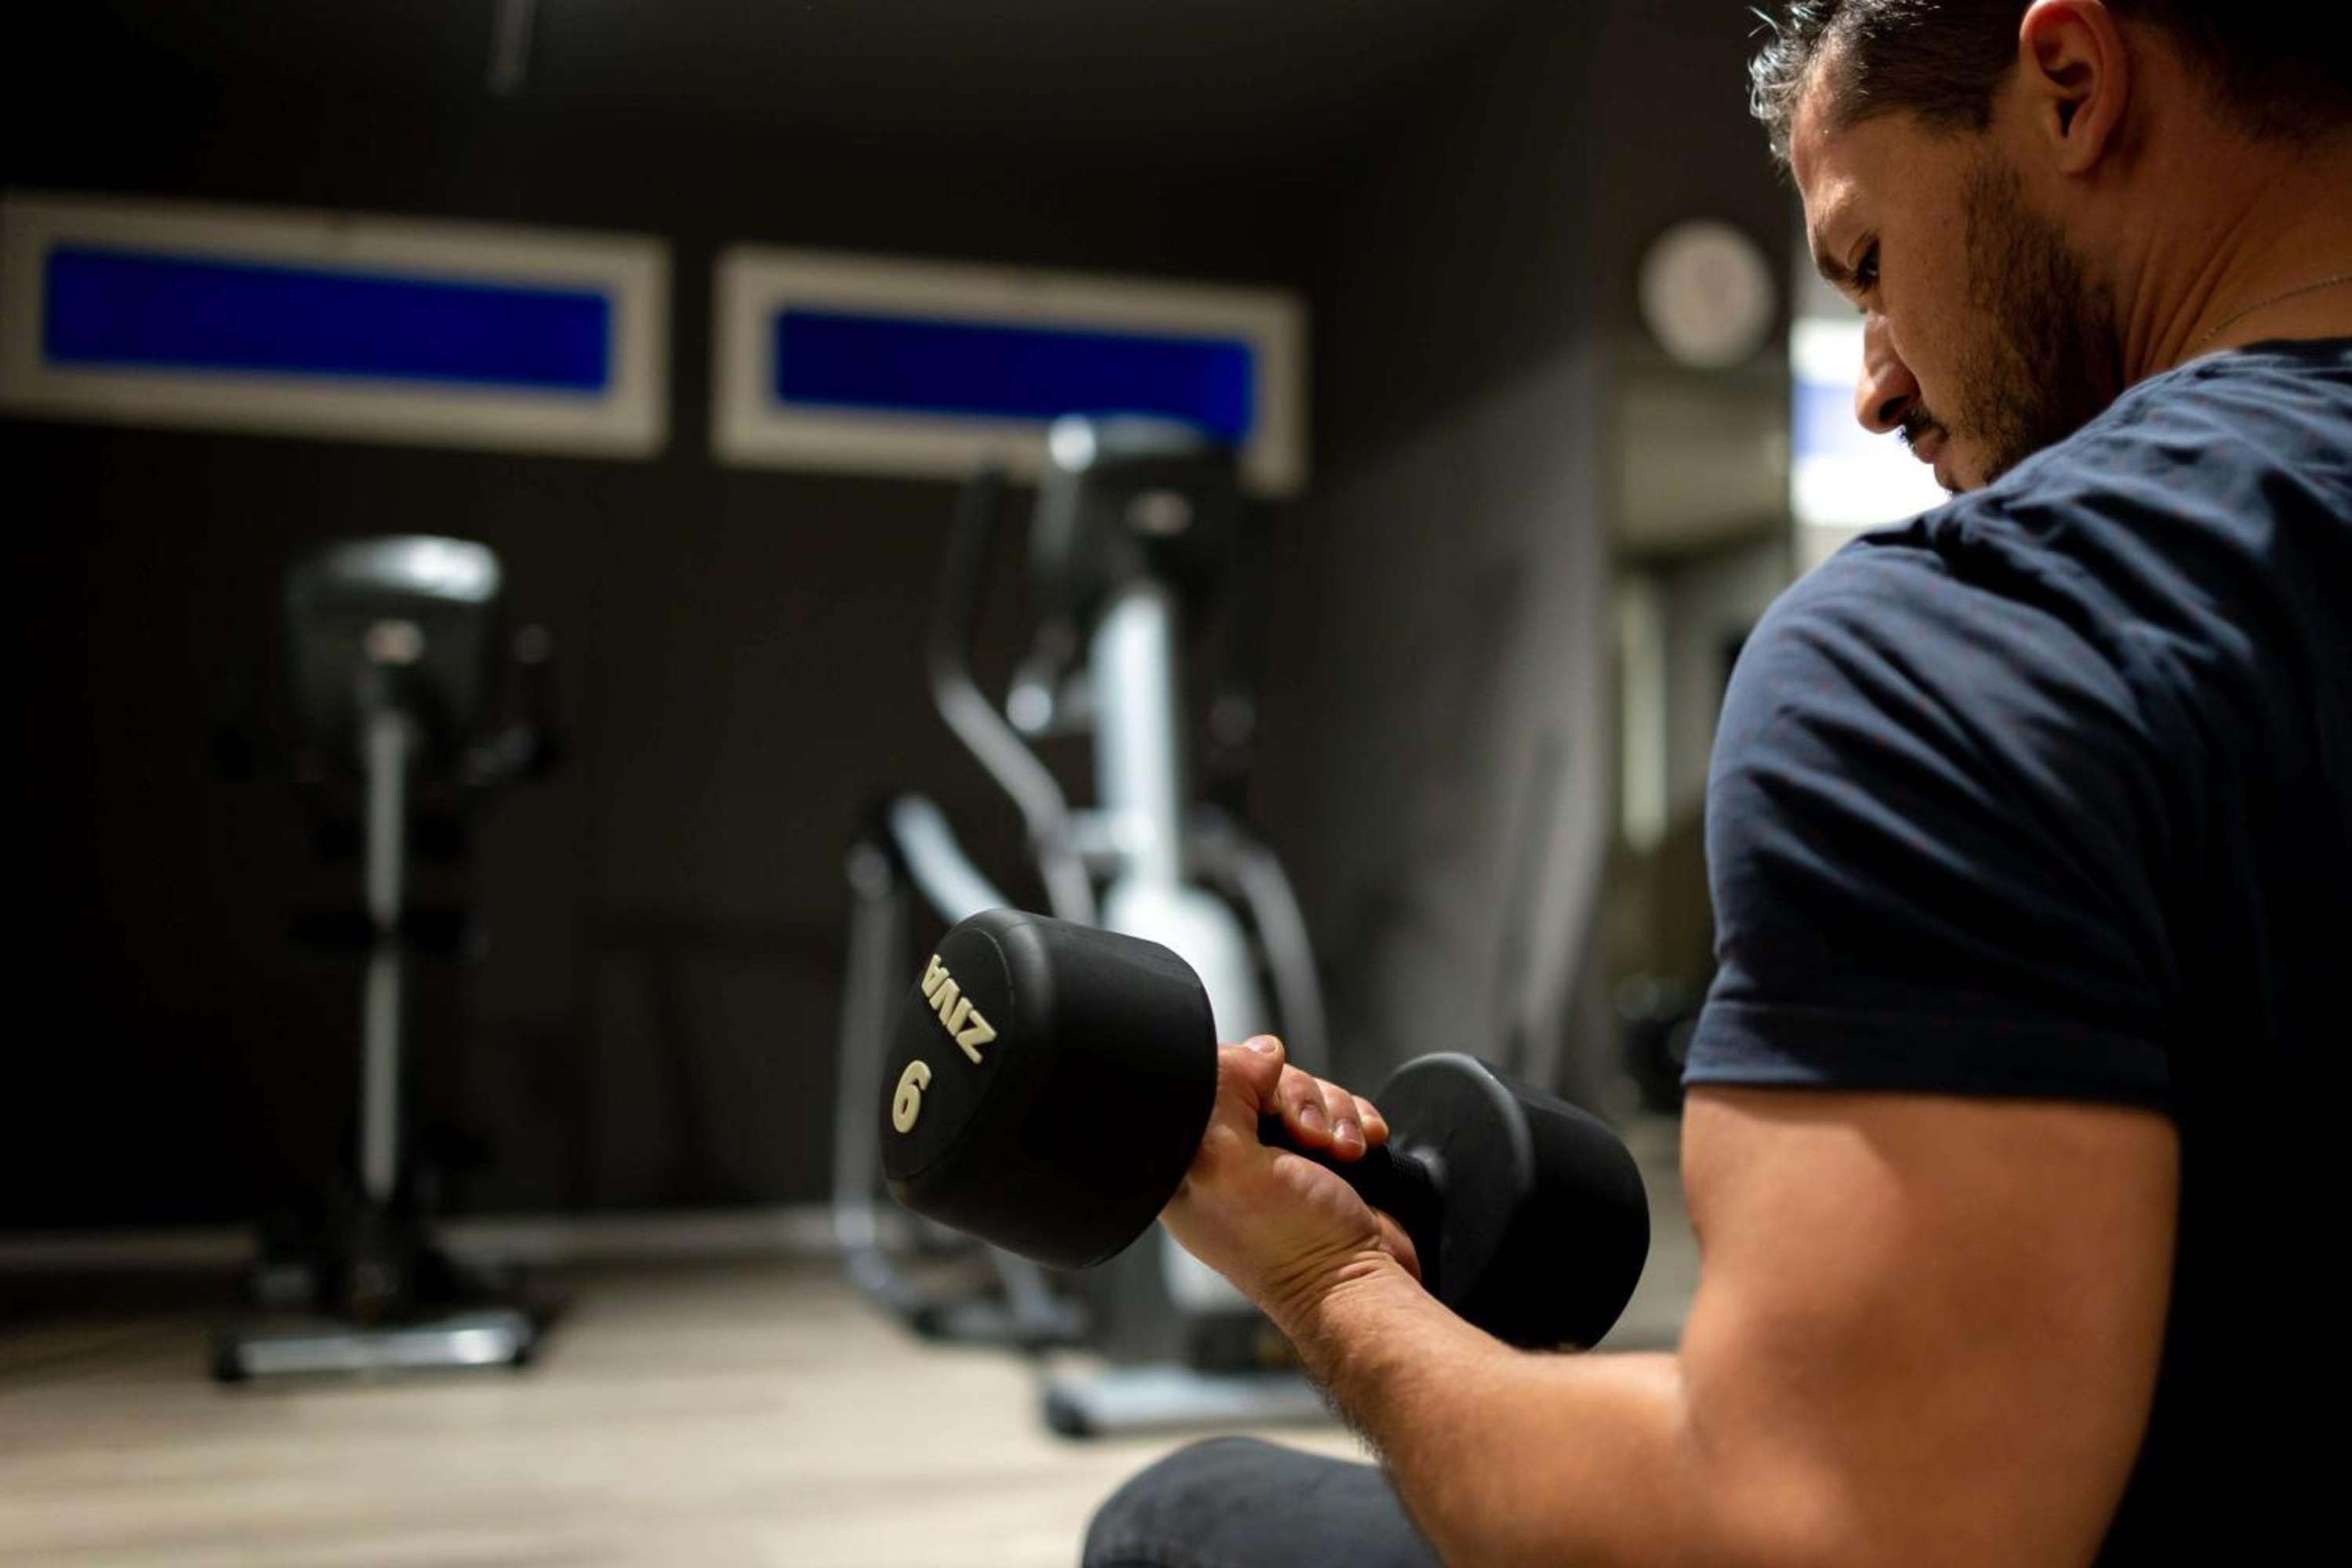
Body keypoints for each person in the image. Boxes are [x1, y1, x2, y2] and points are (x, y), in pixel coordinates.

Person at [1083, 2, 2352, 1563]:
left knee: (1182, 1515)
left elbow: (1819, 1531)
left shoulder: (1973, 637)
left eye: (1868, 260)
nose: (1877, 385)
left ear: (2074, 86)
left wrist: (1327, 1280)